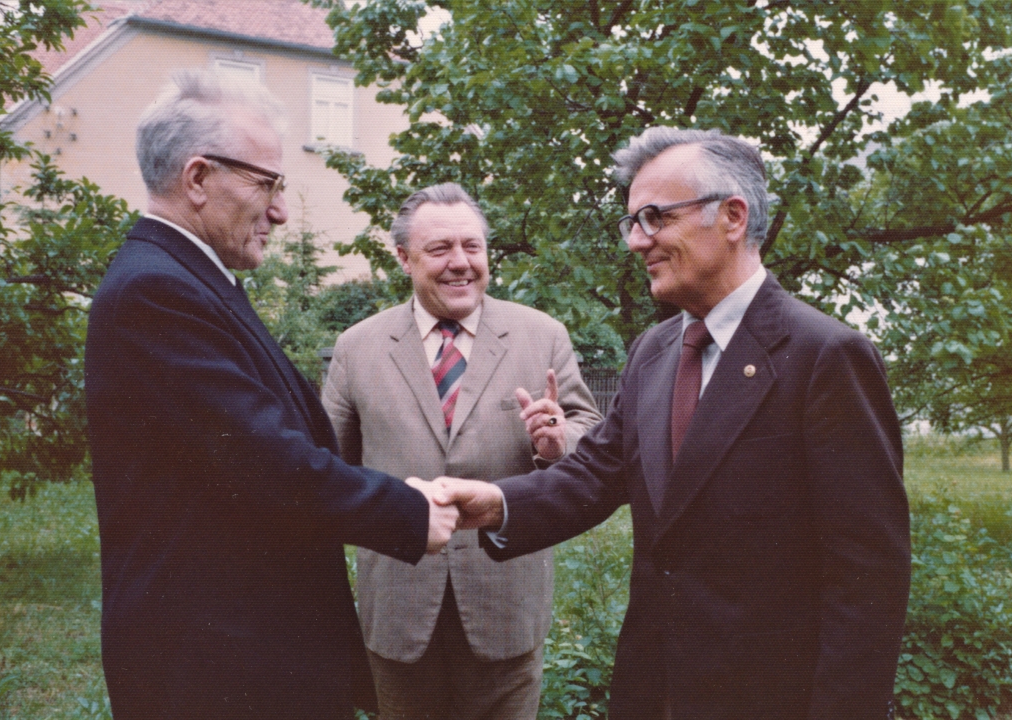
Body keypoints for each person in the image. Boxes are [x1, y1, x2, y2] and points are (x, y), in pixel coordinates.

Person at [445, 127, 911, 720]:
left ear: (733, 217)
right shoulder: (655, 351)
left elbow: (868, 576)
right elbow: (594, 473)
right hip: (653, 690)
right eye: (632, 223)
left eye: (655, 218)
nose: (637, 243)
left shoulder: (825, 355)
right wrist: (490, 503)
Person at [84, 70, 458, 720]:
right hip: (216, 670)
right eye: (267, 184)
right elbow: (264, 463)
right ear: (197, 179)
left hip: (244, 655)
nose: (281, 211)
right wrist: (406, 510)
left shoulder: (189, 279)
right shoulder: (157, 293)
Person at [321, 183, 603, 720]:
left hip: (506, 604)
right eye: (440, 249)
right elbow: (329, 468)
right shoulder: (358, 347)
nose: (460, 263)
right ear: (403, 258)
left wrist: (557, 441)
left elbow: (589, 435)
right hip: (399, 607)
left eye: (472, 247)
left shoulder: (540, 334)